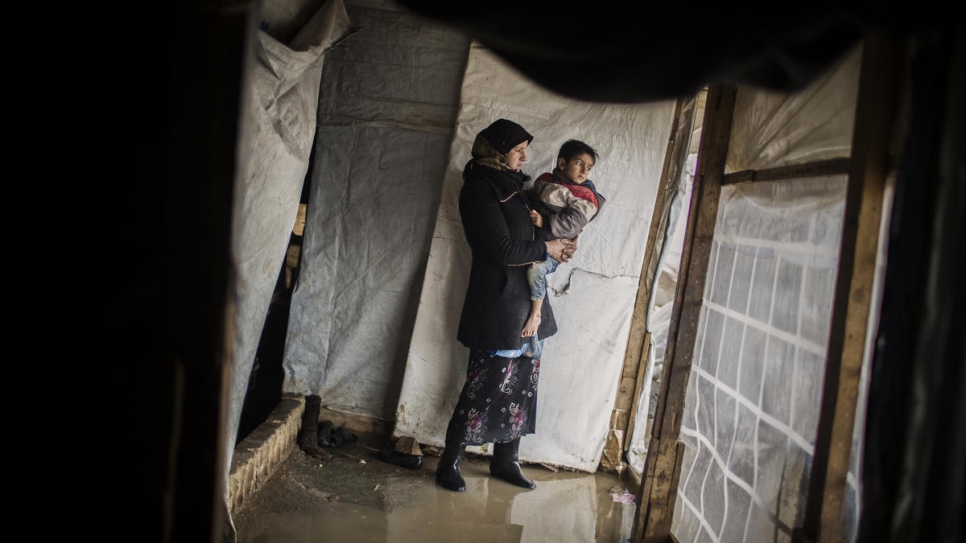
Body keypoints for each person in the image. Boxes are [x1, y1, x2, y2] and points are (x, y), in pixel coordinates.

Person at [436, 118, 577, 493]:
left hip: (530, 302)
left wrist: (556, 243)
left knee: (523, 382)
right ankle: (449, 460)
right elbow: (501, 249)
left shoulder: (518, 190)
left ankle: (506, 459)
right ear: (498, 152)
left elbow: (531, 235)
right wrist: (544, 248)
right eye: (518, 150)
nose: (524, 157)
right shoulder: (480, 190)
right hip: (499, 301)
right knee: (486, 382)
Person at [520, 140, 606, 360]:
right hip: (534, 244)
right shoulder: (545, 181)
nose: (584, 171)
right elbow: (531, 199)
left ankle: (536, 315)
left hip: (553, 250)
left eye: (589, 168)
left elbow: (573, 224)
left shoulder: (585, 196)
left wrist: (544, 222)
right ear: (561, 163)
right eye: (579, 164)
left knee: (536, 272)